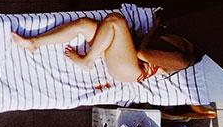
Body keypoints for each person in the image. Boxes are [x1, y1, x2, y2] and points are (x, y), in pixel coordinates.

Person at [12, 12, 198, 88]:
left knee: (116, 20)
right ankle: (34, 42)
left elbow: (143, 53)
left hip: (132, 68)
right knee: (84, 24)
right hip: (127, 52)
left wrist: (154, 28)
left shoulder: (183, 59)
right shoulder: (180, 36)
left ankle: (88, 60)